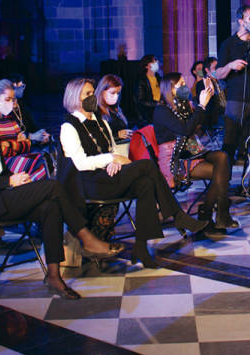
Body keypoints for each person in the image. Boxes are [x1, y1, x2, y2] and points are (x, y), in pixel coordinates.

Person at [0, 86, 122, 300]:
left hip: (3, 196)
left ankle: (54, 275)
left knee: (51, 207)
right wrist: (8, 181)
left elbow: (0, 170)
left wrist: (16, 177)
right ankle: (86, 237)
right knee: (52, 186)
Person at [60, 78, 208, 268]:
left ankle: (141, 247)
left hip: (107, 176)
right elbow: (80, 164)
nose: (92, 97)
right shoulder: (69, 127)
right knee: (146, 166)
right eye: (87, 94)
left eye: (92, 93)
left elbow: (111, 151)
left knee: (145, 184)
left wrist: (113, 161)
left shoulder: (100, 122)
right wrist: (109, 159)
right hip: (88, 183)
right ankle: (177, 214)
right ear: (74, 97)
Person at [153, 73, 238, 239]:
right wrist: (200, 106)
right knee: (221, 171)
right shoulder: (161, 110)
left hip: (190, 148)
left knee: (222, 157)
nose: (185, 86)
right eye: (181, 84)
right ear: (170, 89)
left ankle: (214, 213)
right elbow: (185, 130)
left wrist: (208, 98)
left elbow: (201, 124)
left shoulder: (183, 104)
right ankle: (211, 214)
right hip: (174, 156)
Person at [216, 5, 250, 179]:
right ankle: (222, 183)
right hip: (236, 99)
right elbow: (218, 73)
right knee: (230, 142)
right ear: (240, 21)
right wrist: (230, 65)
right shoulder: (229, 44)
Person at [0, 79, 49, 182]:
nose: (11, 103)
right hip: (2, 164)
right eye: (7, 99)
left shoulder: (10, 118)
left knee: (46, 159)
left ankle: (27, 187)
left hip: (16, 158)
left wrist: (10, 144)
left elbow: (27, 144)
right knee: (40, 164)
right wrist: (17, 144)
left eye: (12, 99)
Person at [7, 73, 49, 142]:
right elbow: (10, 134)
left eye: (23, 86)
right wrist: (31, 136)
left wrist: (42, 134)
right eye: (21, 86)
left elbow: (32, 126)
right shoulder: (5, 109)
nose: (22, 89)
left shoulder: (22, 106)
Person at [95, 74, 132, 146]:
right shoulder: (95, 111)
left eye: (118, 93)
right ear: (102, 91)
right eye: (112, 93)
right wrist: (116, 135)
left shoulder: (115, 109)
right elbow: (97, 138)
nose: (116, 97)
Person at [196, 57, 225, 129]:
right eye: (215, 68)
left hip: (227, 112)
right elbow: (207, 105)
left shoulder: (222, 81)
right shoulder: (202, 84)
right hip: (215, 116)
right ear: (207, 70)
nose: (217, 70)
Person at [135, 55, 161, 126]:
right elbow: (140, 101)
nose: (157, 62)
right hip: (149, 115)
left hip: (160, 111)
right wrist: (156, 104)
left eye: (156, 60)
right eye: (153, 61)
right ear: (146, 66)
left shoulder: (159, 78)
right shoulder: (142, 81)